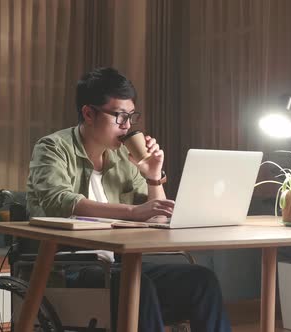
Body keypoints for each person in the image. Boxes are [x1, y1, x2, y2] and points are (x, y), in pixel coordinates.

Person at [27, 67, 231, 331]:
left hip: (116, 264)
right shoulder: (52, 148)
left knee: (202, 280)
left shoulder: (124, 157)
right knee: (135, 285)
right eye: (119, 117)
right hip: (68, 265)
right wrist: (133, 212)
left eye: (131, 117)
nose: (127, 126)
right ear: (89, 113)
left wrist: (153, 177)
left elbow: (157, 216)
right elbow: (59, 200)